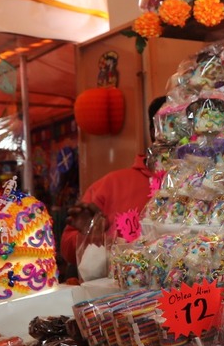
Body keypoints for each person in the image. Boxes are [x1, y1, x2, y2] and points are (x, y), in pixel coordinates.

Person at [59, 96, 166, 276]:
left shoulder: (212, 186)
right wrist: (91, 236)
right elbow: (67, 250)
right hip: (125, 298)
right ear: (154, 130)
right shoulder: (110, 185)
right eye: (170, 124)